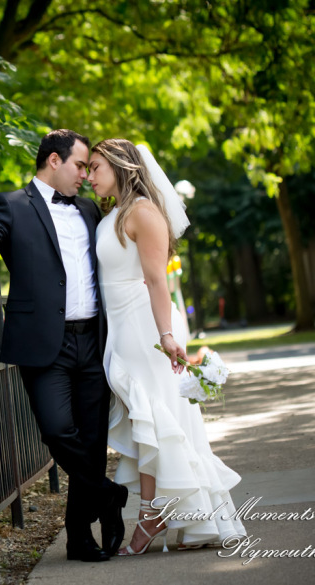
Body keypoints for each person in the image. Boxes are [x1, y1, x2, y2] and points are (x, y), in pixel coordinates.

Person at [0, 129, 128, 562]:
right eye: (79, 165)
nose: (85, 175)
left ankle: (80, 539)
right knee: (57, 431)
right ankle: (109, 495)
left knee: (91, 442)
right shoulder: (11, 205)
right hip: (43, 345)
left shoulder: (91, 210)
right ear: (53, 161)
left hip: (93, 340)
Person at [86, 138, 246, 555]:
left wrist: (166, 336)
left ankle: (152, 515)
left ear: (120, 167)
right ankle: (158, 512)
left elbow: (157, 279)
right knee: (147, 424)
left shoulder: (143, 213)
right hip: (122, 328)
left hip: (145, 327)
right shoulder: (114, 213)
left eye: (96, 167)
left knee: (152, 419)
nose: (89, 176)